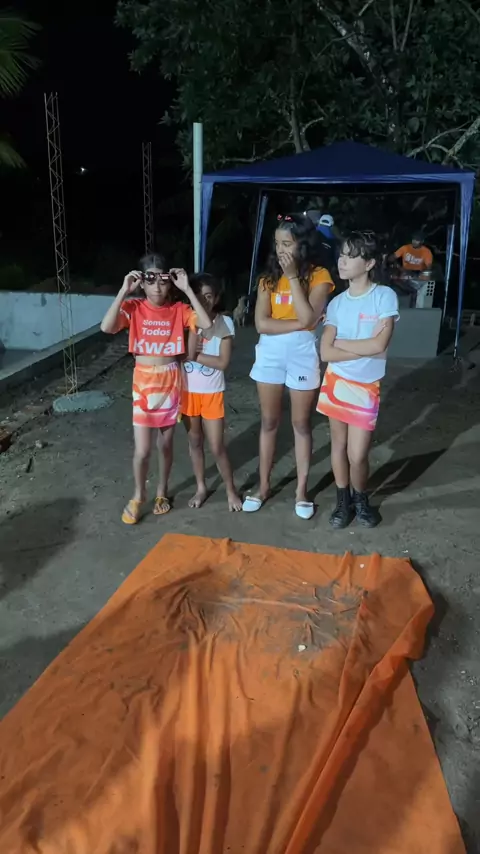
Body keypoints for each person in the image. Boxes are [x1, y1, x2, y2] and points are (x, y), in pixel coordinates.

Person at [100, 254, 212, 525]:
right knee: (142, 450)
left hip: (170, 381)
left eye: (162, 280)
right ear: (141, 283)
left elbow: (207, 324)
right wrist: (123, 291)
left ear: (169, 282)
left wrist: (187, 289)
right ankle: (139, 495)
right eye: (150, 280)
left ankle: (162, 491)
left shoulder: (179, 309)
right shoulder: (134, 307)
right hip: (143, 383)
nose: (157, 287)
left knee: (165, 444)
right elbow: (106, 327)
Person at [243, 213, 334, 519]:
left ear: (303, 244)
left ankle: (301, 491)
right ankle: (263, 486)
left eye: (287, 243)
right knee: (269, 421)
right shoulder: (267, 278)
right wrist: (301, 323)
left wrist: (294, 277)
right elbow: (261, 324)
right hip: (269, 353)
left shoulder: (319, 276)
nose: (280, 250)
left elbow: (309, 318)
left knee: (301, 424)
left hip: (302, 354)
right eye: (277, 243)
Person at [318, 231, 399, 529]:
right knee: (338, 447)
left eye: (351, 256)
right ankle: (343, 502)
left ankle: (361, 498)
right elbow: (325, 351)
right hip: (336, 382)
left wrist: (343, 345)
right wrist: (364, 346)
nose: (342, 261)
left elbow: (379, 345)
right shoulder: (337, 303)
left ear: (369, 263)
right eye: (341, 254)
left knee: (358, 453)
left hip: (366, 387)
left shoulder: (384, 297)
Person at [181, 273, 242, 512]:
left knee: (217, 446)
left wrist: (194, 355)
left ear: (216, 298)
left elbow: (222, 362)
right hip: (188, 392)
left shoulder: (224, 323)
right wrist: (189, 354)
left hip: (212, 393)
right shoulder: (185, 320)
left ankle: (230, 490)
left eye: (208, 295)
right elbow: (177, 355)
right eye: (198, 295)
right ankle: (201, 487)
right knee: (195, 441)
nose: (203, 300)